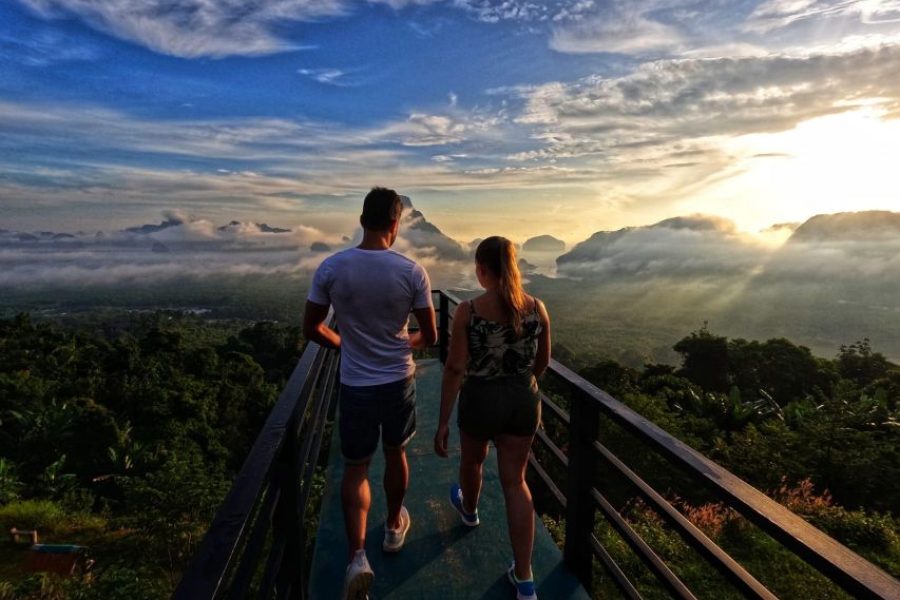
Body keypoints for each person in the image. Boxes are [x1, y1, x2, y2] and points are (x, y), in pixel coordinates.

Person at [303, 187, 437, 600]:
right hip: (398, 381)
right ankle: (395, 525)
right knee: (396, 453)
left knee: (356, 468)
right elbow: (429, 335)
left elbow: (313, 328)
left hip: (356, 384)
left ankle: (357, 555)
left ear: (362, 220)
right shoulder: (411, 271)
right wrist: (403, 344)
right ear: (396, 224)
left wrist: (345, 344)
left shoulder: (331, 268)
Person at [433, 236, 551, 600]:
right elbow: (542, 363)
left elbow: (454, 368)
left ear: (482, 270)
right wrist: (519, 386)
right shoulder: (537, 308)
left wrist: (442, 422)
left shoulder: (469, 311)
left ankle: (469, 510)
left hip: (481, 398)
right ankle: (526, 578)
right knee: (515, 482)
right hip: (522, 399)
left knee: (473, 460)